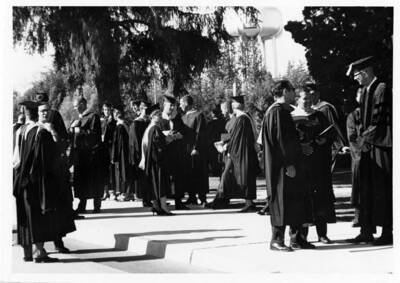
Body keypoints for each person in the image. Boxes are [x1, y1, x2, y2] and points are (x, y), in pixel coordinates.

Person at [261, 80, 315, 251]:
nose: (294, 94)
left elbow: (289, 140)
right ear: (285, 91)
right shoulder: (276, 111)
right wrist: (288, 164)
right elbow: (280, 141)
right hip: (281, 167)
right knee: (281, 200)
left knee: (295, 200)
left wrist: (300, 147)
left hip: (290, 163)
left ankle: (297, 239)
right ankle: (276, 240)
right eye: (292, 90)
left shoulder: (283, 111)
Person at [345, 56, 392, 245]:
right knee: (366, 190)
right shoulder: (365, 90)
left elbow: (379, 119)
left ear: (366, 72)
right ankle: (366, 231)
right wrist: (362, 142)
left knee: (382, 189)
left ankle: (387, 232)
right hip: (369, 146)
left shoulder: (381, 88)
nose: (356, 79)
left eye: (357, 75)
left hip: (381, 146)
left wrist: (365, 139)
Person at [13, 101, 59, 262]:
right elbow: (47, 161)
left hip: (21, 179)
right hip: (36, 181)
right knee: (37, 215)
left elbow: (16, 159)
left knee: (24, 215)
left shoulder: (20, 130)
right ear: (36, 113)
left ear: (26, 114)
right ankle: (39, 252)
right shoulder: (41, 132)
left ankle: (27, 252)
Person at [292, 88, 336, 244]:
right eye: (304, 98)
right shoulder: (293, 117)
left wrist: (325, 140)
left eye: (310, 98)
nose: (308, 101)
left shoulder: (319, 115)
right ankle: (300, 236)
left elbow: (331, 134)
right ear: (297, 100)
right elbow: (288, 140)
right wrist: (300, 146)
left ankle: (322, 234)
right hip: (302, 165)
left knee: (320, 199)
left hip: (318, 165)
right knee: (303, 200)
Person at [34, 92, 76, 251]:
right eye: (40, 108)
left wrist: (53, 132)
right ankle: (41, 247)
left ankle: (58, 242)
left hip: (55, 171)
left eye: (45, 107)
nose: (44, 112)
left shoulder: (54, 119)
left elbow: (63, 142)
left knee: (57, 208)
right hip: (41, 173)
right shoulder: (33, 127)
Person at [217, 95, 259, 212]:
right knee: (247, 177)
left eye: (233, 103)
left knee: (246, 177)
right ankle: (249, 202)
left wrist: (227, 148)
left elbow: (237, 139)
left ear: (235, 105)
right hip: (246, 152)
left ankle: (249, 203)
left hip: (244, 153)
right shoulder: (245, 118)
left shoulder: (242, 119)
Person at [70, 97, 104, 213]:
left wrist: (81, 131)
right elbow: (71, 133)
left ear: (82, 104)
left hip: (91, 155)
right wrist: (71, 129)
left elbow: (95, 134)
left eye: (76, 106)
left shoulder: (93, 116)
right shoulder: (76, 118)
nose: (75, 108)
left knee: (94, 180)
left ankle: (97, 205)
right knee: (81, 181)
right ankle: (82, 205)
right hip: (80, 155)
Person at [140, 108, 174, 216]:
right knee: (161, 184)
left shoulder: (149, 129)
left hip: (152, 161)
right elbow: (159, 146)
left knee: (154, 184)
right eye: (158, 115)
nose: (160, 117)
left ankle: (156, 206)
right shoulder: (155, 128)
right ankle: (163, 207)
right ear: (152, 116)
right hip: (157, 162)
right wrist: (169, 139)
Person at [309, 83, 347, 172]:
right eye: (308, 95)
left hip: (325, 148)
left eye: (313, 94)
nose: (311, 97)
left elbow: (334, 127)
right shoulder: (304, 110)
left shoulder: (325, 108)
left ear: (318, 94)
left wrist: (340, 146)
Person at [159, 95, 188, 210]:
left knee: (178, 177)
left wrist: (178, 135)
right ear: (164, 105)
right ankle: (163, 201)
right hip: (164, 153)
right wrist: (165, 135)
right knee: (165, 177)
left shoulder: (177, 118)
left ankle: (178, 201)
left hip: (176, 152)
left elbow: (183, 132)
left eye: (174, 106)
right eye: (170, 105)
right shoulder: (160, 119)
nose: (172, 108)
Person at [179, 95, 209, 206]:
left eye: (181, 103)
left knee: (199, 173)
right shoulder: (182, 117)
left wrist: (196, 147)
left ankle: (203, 197)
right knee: (189, 174)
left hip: (197, 151)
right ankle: (192, 197)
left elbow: (200, 133)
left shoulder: (198, 115)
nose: (180, 106)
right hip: (186, 151)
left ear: (186, 104)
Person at [129, 100, 152, 207]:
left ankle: (152, 198)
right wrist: (141, 155)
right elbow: (135, 143)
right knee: (143, 177)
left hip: (151, 153)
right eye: (145, 109)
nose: (147, 112)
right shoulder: (136, 123)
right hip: (141, 154)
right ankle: (145, 199)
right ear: (141, 110)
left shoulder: (149, 122)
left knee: (150, 177)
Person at [345, 88, 363, 228]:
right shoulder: (353, 116)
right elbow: (352, 138)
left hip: (374, 156)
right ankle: (358, 217)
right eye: (360, 94)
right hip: (360, 156)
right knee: (359, 187)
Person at [111, 105, 132, 201]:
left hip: (122, 153)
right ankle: (128, 192)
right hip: (127, 151)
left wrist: (113, 156)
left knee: (122, 172)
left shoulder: (119, 127)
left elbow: (117, 143)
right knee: (127, 172)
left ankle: (125, 194)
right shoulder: (126, 124)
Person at [100, 102, 117, 200]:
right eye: (105, 110)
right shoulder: (101, 120)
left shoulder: (114, 121)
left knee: (111, 170)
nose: (106, 111)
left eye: (108, 110)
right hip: (103, 147)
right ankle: (105, 191)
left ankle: (112, 191)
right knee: (104, 170)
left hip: (110, 147)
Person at [205, 107, 226, 177]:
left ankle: (215, 172)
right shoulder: (223, 122)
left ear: (213, 114)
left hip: (212, 144)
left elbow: (207, 134)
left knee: (214, 159)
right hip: (222, 143)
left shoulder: (209, 123)